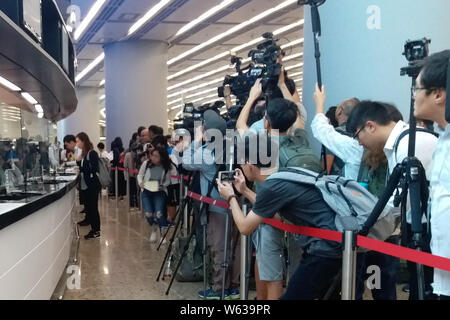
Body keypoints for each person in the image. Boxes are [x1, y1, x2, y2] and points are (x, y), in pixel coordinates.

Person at [216, 133, 342, 300]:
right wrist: (244, 190)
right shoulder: (282, 175)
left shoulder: (271, 187)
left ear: (249, 164)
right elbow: (277, 216)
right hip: (335, 242)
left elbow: (245, 227)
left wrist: (230, 197)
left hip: (326, 248)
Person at [346, 100, 439, 300]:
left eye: (357, 136)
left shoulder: (410, 144)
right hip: (424, 229)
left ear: (370, 126)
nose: (360, 143)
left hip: (431, 231)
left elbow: (400, 203)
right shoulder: (401, 143)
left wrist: (365, 229)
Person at [181, 110, 241, 300]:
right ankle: (233, 286)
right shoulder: (231, 145)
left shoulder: (207, 151)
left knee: (219, 247)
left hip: (217, 206)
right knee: (233, 246)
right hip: (236, 205)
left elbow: (185, 162)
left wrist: (196, 140)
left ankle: (218, 289)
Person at [413, 49, 450, 300]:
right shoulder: (443, 138)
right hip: (442, 274)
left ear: (438, 94)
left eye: (417, 89)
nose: (413, 96)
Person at [312, 85, 361, 177]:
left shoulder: (338, 134)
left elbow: (326, 168)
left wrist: (319, 103)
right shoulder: (360, 136)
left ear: (339, 111)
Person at [137, 145, 173, 243]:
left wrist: (161, 185)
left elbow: (168, 181)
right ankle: (154, 228)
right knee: (148, 213)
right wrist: (141, 183)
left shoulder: (165, 167)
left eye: (156, 156)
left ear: (162, 157)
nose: (153, 158)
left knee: (159, 213)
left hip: (159, 192)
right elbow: (140, 175)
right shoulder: (146, 163)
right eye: (152, 155)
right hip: (147, 191)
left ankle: (162, 233)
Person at [76, 132, 101, 239]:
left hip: (92, 185)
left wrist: (80, 168)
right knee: (89, 208)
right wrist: (78, 163)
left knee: (93, 208)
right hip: (86, 185)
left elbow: (95, 169)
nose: (77, 144)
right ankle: (92, 227)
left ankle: (96, 230)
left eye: (78, 141)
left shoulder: (92, 153)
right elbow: (84, 166)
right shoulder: (84, 154)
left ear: (83, 141)